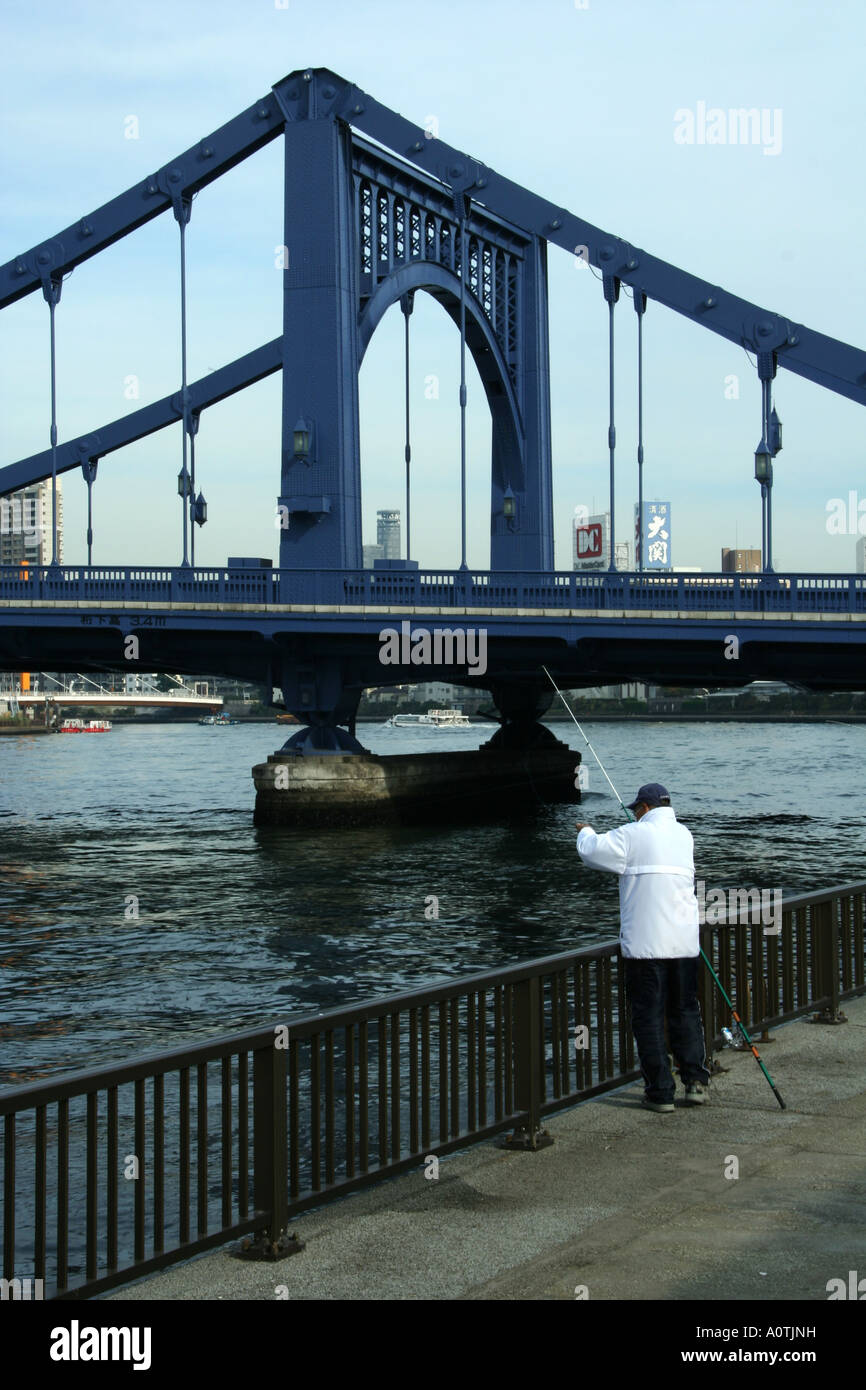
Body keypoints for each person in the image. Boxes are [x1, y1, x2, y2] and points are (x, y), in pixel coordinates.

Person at [575, 782, 710, 1113]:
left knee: (648, 1018)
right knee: (685, 1012)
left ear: (646, 809)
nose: (634, 814)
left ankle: (661, 1091)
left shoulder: (632, 836)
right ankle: (694, 1081)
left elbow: (592, 851)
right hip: (684, 944)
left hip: (646, 948)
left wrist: (585, 830)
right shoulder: (684, 836)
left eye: (636, 809)